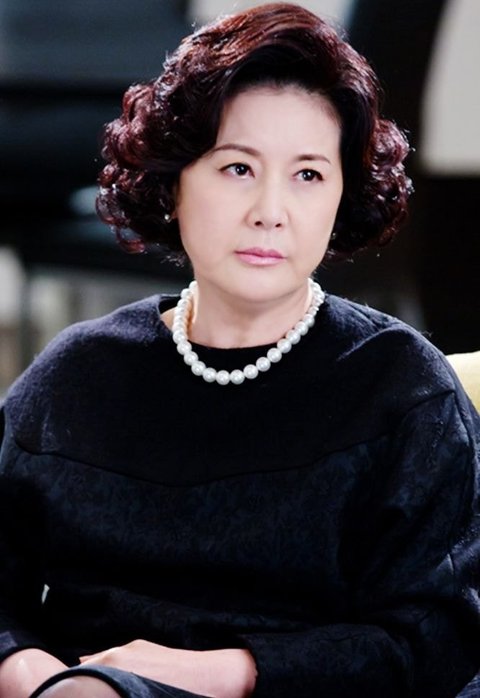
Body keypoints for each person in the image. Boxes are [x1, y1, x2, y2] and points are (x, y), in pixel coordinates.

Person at [0, 3, 479, 697]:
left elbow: (438, 637)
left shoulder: (401, 391)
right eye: (237, 168)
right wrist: (29, 674)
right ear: (173, 183)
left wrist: (223, 673)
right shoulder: (76, 377)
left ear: (342, 199)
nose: (270, 212)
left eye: (308, 175)